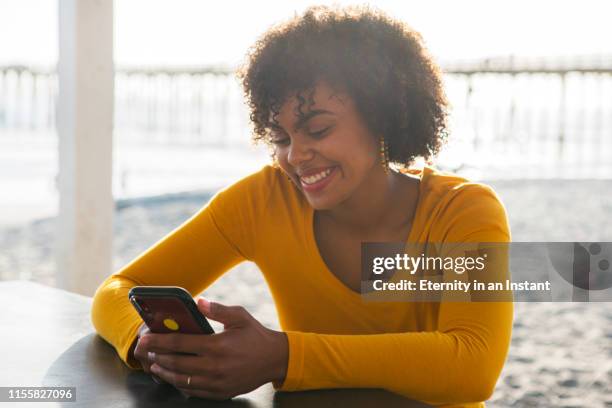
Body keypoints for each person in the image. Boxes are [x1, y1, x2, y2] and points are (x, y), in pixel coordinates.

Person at [91, 5, 512, 407]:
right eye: (280, 138)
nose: (295, 155)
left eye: (318, 129)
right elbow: (115, 292)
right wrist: (144, 340)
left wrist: (284, 357)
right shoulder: (262, 201)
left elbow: (472, 364)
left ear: (382, 118)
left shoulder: (465, 212)